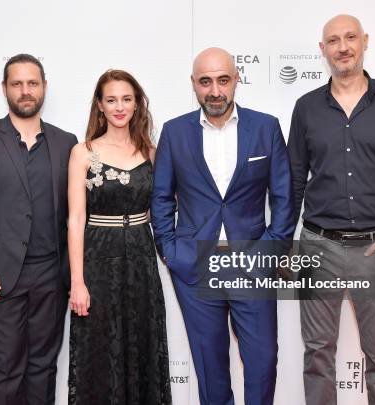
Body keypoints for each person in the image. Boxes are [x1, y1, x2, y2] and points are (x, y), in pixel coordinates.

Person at [288, 14, 375, 405]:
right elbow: (294, 182)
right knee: (317, 354)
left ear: (365, 41)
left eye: (350, 37)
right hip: (319, 248)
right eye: (333, 40)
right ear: (323, 50)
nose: (343, 47)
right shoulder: (306, 108)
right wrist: (286, 243)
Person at [151, 47, 294, 405]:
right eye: (205, 81)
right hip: (195, 264)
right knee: (210, 366)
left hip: (251, 262)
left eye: (223, 80)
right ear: (194, 85)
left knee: (263, 362)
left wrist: (271, 251)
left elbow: (283, 196)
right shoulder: (174, 132)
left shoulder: (266, 127)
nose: (215, 90)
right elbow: (162, 198)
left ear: (236, 79)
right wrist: (171, 251)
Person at [0, 54, 77, 405]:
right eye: (17, 83)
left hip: (52, 274)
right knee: (7, 366)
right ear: (4, 89)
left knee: (44, 365)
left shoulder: (66, 141)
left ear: (44, 87)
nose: (26, 91)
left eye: (32, 83)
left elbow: (74, 212)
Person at [67, 69, 172, 405]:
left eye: (126, 99)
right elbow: (75, 219)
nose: (119, 107)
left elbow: (166, 211)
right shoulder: (83, 152)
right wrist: (78, 282)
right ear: (100, 105)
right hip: (97, 261)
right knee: (98, 349)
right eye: (111, 100)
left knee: (142, 344)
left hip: (141, 261)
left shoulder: (152, 153)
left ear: (137, 104)